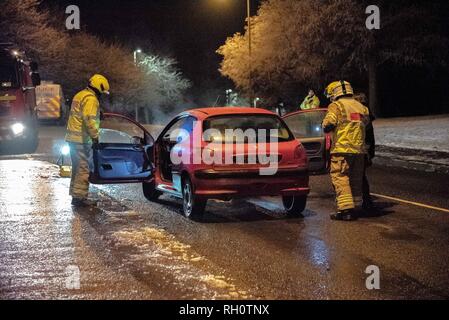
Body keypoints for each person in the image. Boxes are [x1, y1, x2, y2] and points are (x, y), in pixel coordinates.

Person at [322, 81, 370, 221]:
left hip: (341, 149)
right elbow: (365, 124)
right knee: (356, 179)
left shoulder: (336, 106)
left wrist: (326, 126)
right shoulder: (361, 107)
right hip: (359, 150)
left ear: (335, 93)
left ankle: (345, 210)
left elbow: (328, 124)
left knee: (340, 177)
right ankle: (356, 207)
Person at [65, 74, 110, 207]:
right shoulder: (91, 99)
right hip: (81, 139)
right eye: (102, 92)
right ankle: (79, 198)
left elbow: (82, 114)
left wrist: (98, 114)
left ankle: (76, 195)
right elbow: (89, 120)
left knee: (77, 168)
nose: (101, 95)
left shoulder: (80, 95)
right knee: (83, 169)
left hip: (73, 138)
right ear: (98, 87)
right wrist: (95, 136)